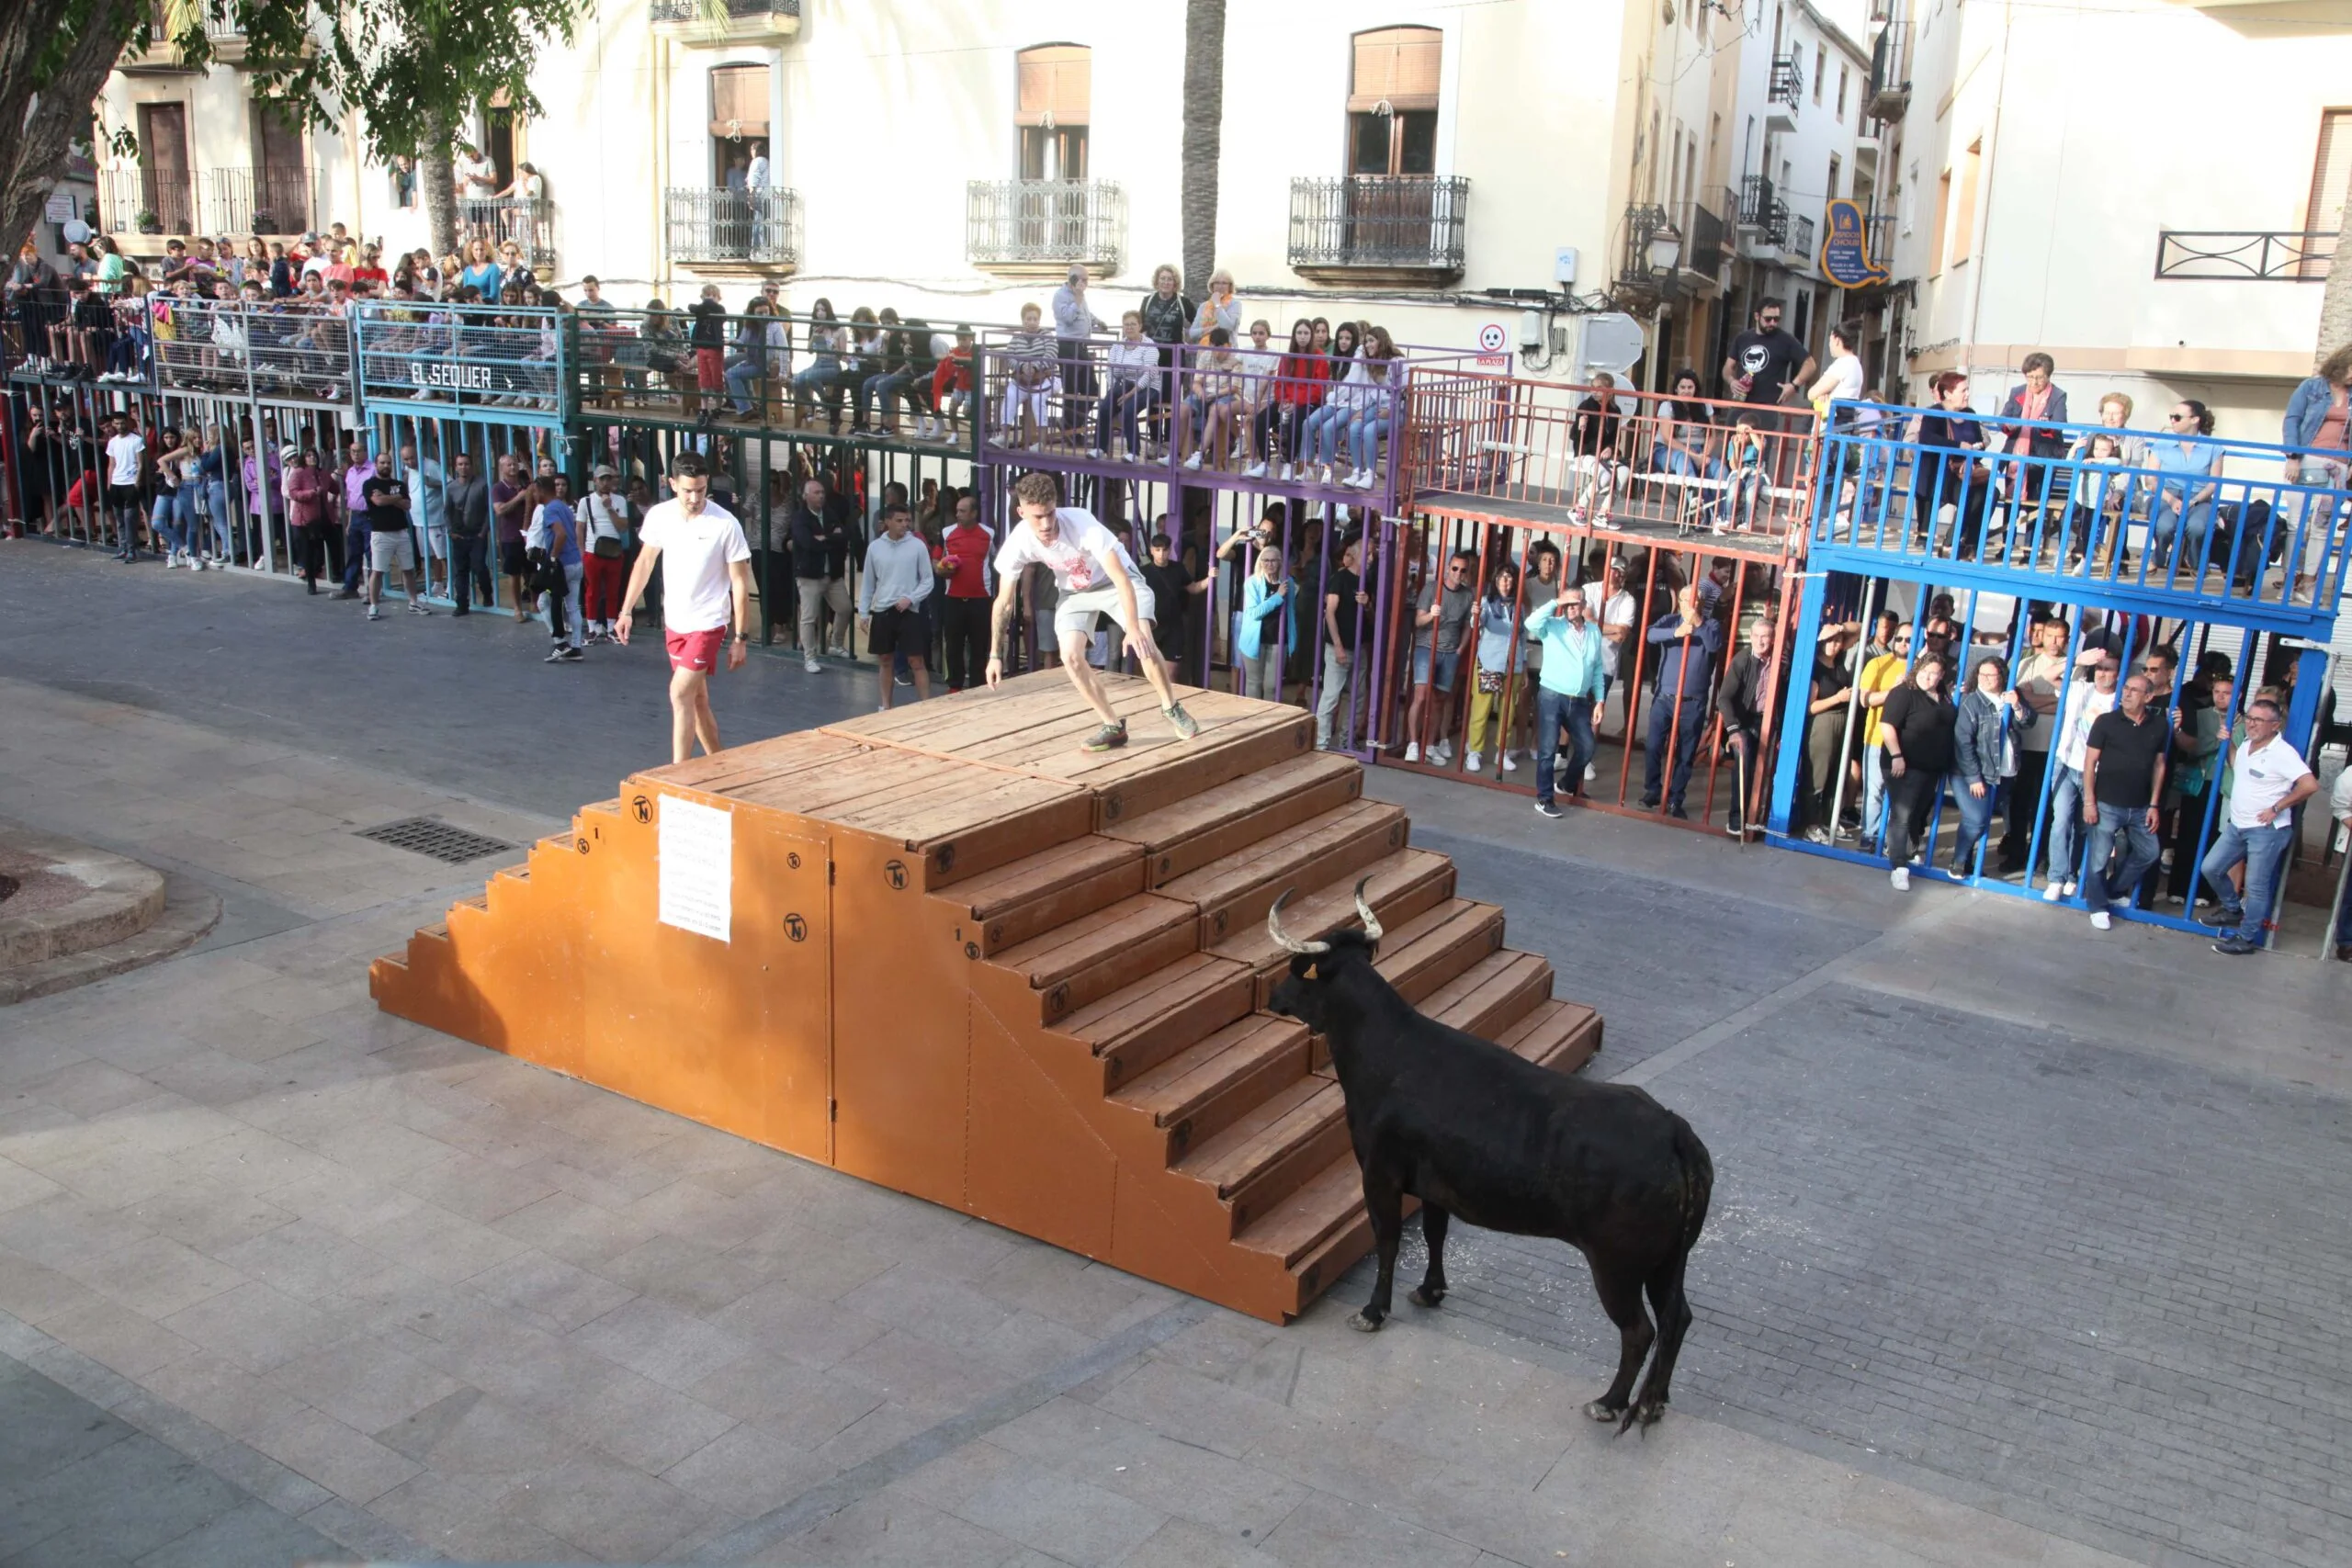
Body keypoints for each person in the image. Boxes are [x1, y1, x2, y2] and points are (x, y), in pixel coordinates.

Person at [985, 471, 1198, 750]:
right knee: (1070, 656)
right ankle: (1112, 726)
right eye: (1038, 517)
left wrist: (1132, 626)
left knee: (1142, 639)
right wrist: (994, 655)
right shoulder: (1019, 542)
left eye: (1050, 513)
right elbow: (1004, 602)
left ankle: (1171, 707)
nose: (1047, 523)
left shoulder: (1081, 523)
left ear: (1056, 504)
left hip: (1116, 582)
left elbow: (1121, 578)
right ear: (1021, 511)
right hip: (1075, 592)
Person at [616, 454, 753, 762]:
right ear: (672, 484)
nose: (695, 498)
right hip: (676, 622)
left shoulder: (725, 524)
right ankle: (720, 765)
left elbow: (740, 583)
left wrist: (741, 638)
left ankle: (679, 775)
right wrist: (626, 612)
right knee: (697, 699)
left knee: (679, 693)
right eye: (688, 490)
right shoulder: (659, 516)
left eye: (701, 490)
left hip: (709, 623)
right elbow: (644, 563)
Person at [2197, 696, 2318, 955]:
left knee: (2256, 887)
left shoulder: (2282, 753)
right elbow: (2235, 765)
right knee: (2210, 867)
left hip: (2266, 831)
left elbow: (2310, 785)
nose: (2251, 724)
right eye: (2250, 718)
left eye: (2258, 720)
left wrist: (2277, 807)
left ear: (2275, 725)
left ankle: (2247, 937)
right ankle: (2232, 910)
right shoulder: (2247, 745)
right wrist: (2227, 743)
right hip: (2239, 825)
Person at [2075, 671, 2168, 930]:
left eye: (2134, 690)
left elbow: (2159, 765)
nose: (2126, 693)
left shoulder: (2159, 725)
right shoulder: (2106, 721)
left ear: (2148, 697)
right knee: (2099, 858)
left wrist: (2154, 804)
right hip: (2106, 802)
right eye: (2125, 688)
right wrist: (2089, 801)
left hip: (2140, 806)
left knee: (2150, 852)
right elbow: (2090, 762)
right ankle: (2097, 906)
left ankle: (2111, 891)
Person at [1522, 578, 1606, 817]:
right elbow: (1530, 622)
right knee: (1548, 750)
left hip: (1578, 699)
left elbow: (1598, 667)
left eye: (1575, 603)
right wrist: (1556, 601)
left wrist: (1599, 700)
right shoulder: (1553, 625)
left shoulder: (1593, 631)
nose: (1571, 607)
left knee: (1587, 746)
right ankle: (1545, 798)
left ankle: (1566, 785)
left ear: (1584, 604)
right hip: (1552, 695)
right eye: (1567, 603)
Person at [2042, 651, 2120, 900]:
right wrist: (2076, 660)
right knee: (2061, 821)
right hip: (2066, 763)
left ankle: (2073, 876)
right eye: (2099, 668)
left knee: (2083, 827)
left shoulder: (2119, 701)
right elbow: (2049, 675)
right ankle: (2056, 877)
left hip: (2097, 772)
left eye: (2109, 669)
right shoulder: (2079, 688)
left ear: (2119, 674)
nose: (2102, 673)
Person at [1641, 583, 1723, 819]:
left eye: (1698, 600)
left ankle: (1676, 799)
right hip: (1664, 697)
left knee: (1685, 754)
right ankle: (1653, 790)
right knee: (1653, 746)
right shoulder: (1671, 619)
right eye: (1687, 600)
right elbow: (1649, 634)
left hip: (1693, 701)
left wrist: (1697, 623)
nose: (1692, 605)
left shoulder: (1711, 625)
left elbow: (1714, 644)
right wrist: (1676, 633)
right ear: (1681, 602)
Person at [1878, 651, 1957, 890]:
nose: (1928, 677)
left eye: (1934, 673)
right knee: (1902, 814)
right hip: (1904, 764)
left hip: (1930, 767)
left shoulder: (1943, 696)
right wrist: (1897, 755)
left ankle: (1909, 853)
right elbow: (1887, 724)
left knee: (1918, 813)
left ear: (1942, 675)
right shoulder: (1904, 693)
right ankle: (1899, 865)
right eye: (1925, 671)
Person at [2280, 344, 2351, 599]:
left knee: (2322, 527)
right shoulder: (2312, 387)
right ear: (2341, 363)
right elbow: (2292, 419)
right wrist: (2293, 456)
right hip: (2307, 460)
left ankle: (2308, 583)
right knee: (2296, 525)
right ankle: (2289, 580)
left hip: (2338, 468)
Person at [857, 502, 934, 710]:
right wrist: (864, 612)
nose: (904, 525)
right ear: (887, 522)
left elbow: (928, 580)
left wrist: (910, 598)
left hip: (910, 611)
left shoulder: (917, 546)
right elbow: (868, 583)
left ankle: (926, 708)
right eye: (899, 521)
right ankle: (885, 706)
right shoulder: (875, 548)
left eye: (907, 520)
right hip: (883, 610)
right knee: (885, 659)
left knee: (916, 660)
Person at [1405, 548, 1476, 765]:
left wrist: (1461, 649)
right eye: (1455, 568)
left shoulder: (1467, 595)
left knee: (1439, 701)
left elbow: (1467, 625)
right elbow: (1417, 622)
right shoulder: (1432, 588)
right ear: (1447, 568)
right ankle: (1413, 744)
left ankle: (1429, 745)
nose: (1458, 573)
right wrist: (1430, 616)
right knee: (1422, 696)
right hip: (1427, 647)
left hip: (1450, 652)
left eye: (1462, 570)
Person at [1912, 371, 1991, 558]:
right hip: (1941, 474)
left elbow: (1979, 443)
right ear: (1947, 393)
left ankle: (1962, 543)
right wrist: (1958, 446)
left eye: (1967, 390)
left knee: (1990, 492)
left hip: (1964, 471)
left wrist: (1971, 459)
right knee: (1972, 493)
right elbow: (1927, 438)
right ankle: (1957, 544)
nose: (1967, 394)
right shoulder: (1935, 413)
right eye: (1963, 390)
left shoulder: (1970, 414)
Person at [1715, 615, 1777, 836]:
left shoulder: (1780, 661)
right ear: (1750, 637)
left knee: (1770, 768)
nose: (1761, 642)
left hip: (1767, 718)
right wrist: (1732, 729)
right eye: (1757, 636)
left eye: (1766, 637)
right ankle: (1737, 819)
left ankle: (1761, 817)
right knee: (1743, 762)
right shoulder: (1742, 660)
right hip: (1743, 719)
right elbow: (1723, 698)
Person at [2149, 400, 2222, 579]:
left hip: (2199, 497)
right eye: (2171, 417)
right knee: (2164, 526)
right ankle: (2157, 558)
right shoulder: (2162, 443)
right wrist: (2172, 500)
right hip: (2167, 494)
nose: (2172, 421)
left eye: (2177, 417)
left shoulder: (2213, 447)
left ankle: (2196, 563)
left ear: (2194, 419)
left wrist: (2194, 501)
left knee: (2197, 527)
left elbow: (2214, 483)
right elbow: (2150, 479)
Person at [933, 491, 994, 692]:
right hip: (954, 599)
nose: (958, 514)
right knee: (953, 645)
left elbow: (998, 560)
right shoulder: (946, 533)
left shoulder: (989, 534)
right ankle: (955, 686)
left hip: (981, 599)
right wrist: (941, 568)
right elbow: (935, 560)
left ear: (974, 513)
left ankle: (978, 686)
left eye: (962, 511)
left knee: (979, 646)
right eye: (957, 510)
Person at [1317, 534, 1373, 752]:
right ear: (1356, 555)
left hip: (1360, 648)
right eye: (1368, 554)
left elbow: (1373, 617)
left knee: (1357, 699)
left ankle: (1346, 741)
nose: (1371, 558)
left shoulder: (1366, 581)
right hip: (1339, 648)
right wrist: (1338, 646)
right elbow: (1329, 613)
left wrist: (1367, 605)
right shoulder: (1340, 578)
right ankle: (1320, 744)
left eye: (1372, 554)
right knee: (1331, 696)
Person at [361, 462, 431, 622]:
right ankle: (374, 606)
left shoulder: (398, 484)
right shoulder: (369, 484)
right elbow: (377, 502)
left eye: (388, 463)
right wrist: (397, 497)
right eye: (382, 463)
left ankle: (414, 602)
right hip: (381, 533)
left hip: (401, 532)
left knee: (408, 569)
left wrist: (387, 498)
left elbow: (407, 505)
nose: (385, 465)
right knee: (377, 571)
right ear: (377, 465)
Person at [1722, 297, 1814, 413]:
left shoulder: (1785, 340)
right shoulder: (1743, 338)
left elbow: (1810, 364)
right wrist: (1732, 381)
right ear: (1757, 316)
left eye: (1776, 319)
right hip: (1740, 403)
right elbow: (1728, 366)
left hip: (1767, 407)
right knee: (1733, 431)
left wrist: (1794, 385)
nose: (1772, 323)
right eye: (1768, 319)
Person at [526, 474, 582, 660]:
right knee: (573, 606)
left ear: (541, 490)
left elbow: (561, 534)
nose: (533, 495)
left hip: (562, 565)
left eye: (534, 491)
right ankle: (576, 647)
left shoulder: (549, 509)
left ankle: (560, 642)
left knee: (547, 602)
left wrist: (552, 558)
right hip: (575, 562)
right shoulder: (563, 506)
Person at [578, 465, 634, 642]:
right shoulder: (585, 501)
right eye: (601, 479)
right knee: (592, 592)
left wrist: (609, 508)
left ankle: (611, 628)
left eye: (608, 478)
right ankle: (593, 628)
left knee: (613, 591)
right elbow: (579, 528)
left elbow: (623, 526)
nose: (605, 482)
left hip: (614, 552)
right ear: (595, 481)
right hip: (592, 551)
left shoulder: (619, 500)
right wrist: (581, 552)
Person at [1238, 543, 1295, 702]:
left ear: (1280, 562)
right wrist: (1277, 597)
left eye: (1274, 560)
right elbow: (1254, 613)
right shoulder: (1252, 582)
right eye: (1266, 560)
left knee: (1273, 686)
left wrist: (1292, 640)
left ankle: (1269, 721)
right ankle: (1253, 718)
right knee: (1253, 683)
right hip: (1255, 640)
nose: (1270, 564)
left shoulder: (1287, 582)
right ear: (1260, 562)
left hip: (1278, 640)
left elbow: (1291, 612)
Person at [1141, 532, 1207, 672]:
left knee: (1171, 671)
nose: (1161, 553)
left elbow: (1193, 588)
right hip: (1151, 626)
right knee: (1149, 671)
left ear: (1170, 550)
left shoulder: (1178, 568)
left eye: (1164, 550)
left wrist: (1210, 579)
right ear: (1151, 550)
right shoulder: (1143, 572)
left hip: (1173, 626)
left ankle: (1167, 694)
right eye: (1157, 550)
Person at [1052, 264, 1104, 434]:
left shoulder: (1080, 297)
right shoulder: (1061, 296)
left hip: (1081, 346)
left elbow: (1085, 314)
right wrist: (1077, 297)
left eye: (1087, 280)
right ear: (1072, 279)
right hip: (1068, 346)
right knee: (1072, 389)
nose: (1085, 283)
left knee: (1092, 389)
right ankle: (1070, 425)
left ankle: (1073, 423)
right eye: (1083, 280)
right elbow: (1067, 318)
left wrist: (1097, 322)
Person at [443, 451, 492, 614]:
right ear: (455, 467)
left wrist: (484, 531)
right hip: (460, 534)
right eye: (460, 464)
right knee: (461, 571)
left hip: (478, 533)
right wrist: (450, 531)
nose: (464, 467)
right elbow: (447, 512)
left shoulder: (482, 484)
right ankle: (462, 604)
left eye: (466, 464)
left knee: (479, 565)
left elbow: (488, 510)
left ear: (472, 466)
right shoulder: (451, 488)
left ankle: (487, 594)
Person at [1806, 320, 1866, 424]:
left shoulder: (1842, 364)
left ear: (1837, 340)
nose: (1829, 345)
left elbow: (1811, 394)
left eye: (1830, 340)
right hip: (1846, 420)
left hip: (1834, 423)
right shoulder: (1856, 363)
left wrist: (1823, 393)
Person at [103, 413, 144, 562]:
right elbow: (111, 464)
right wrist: (109, 483)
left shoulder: (136, 440)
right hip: (117, 483)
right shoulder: (113, 442)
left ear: (127, 422)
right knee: (119, 517)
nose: (119, 426)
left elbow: (140, 463)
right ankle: (123, 547)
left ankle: (132, 549)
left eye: (122, 423)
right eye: (117, 424)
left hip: (130, 482)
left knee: (129, 518)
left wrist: (137, 482)